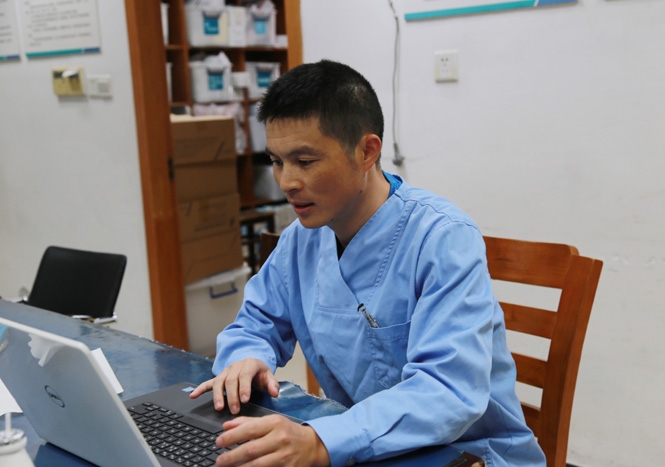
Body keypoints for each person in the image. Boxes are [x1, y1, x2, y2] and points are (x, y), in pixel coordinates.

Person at [190, 59, 546, 467]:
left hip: (468, 455)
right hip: (366, 448)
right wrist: (246, 357)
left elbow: (447, 391)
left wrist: (322, 442)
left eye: (305, 162)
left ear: (367, 151)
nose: (287, 182)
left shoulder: (443, 239)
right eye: (276, 161)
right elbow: (257, 322)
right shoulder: (302, 239)